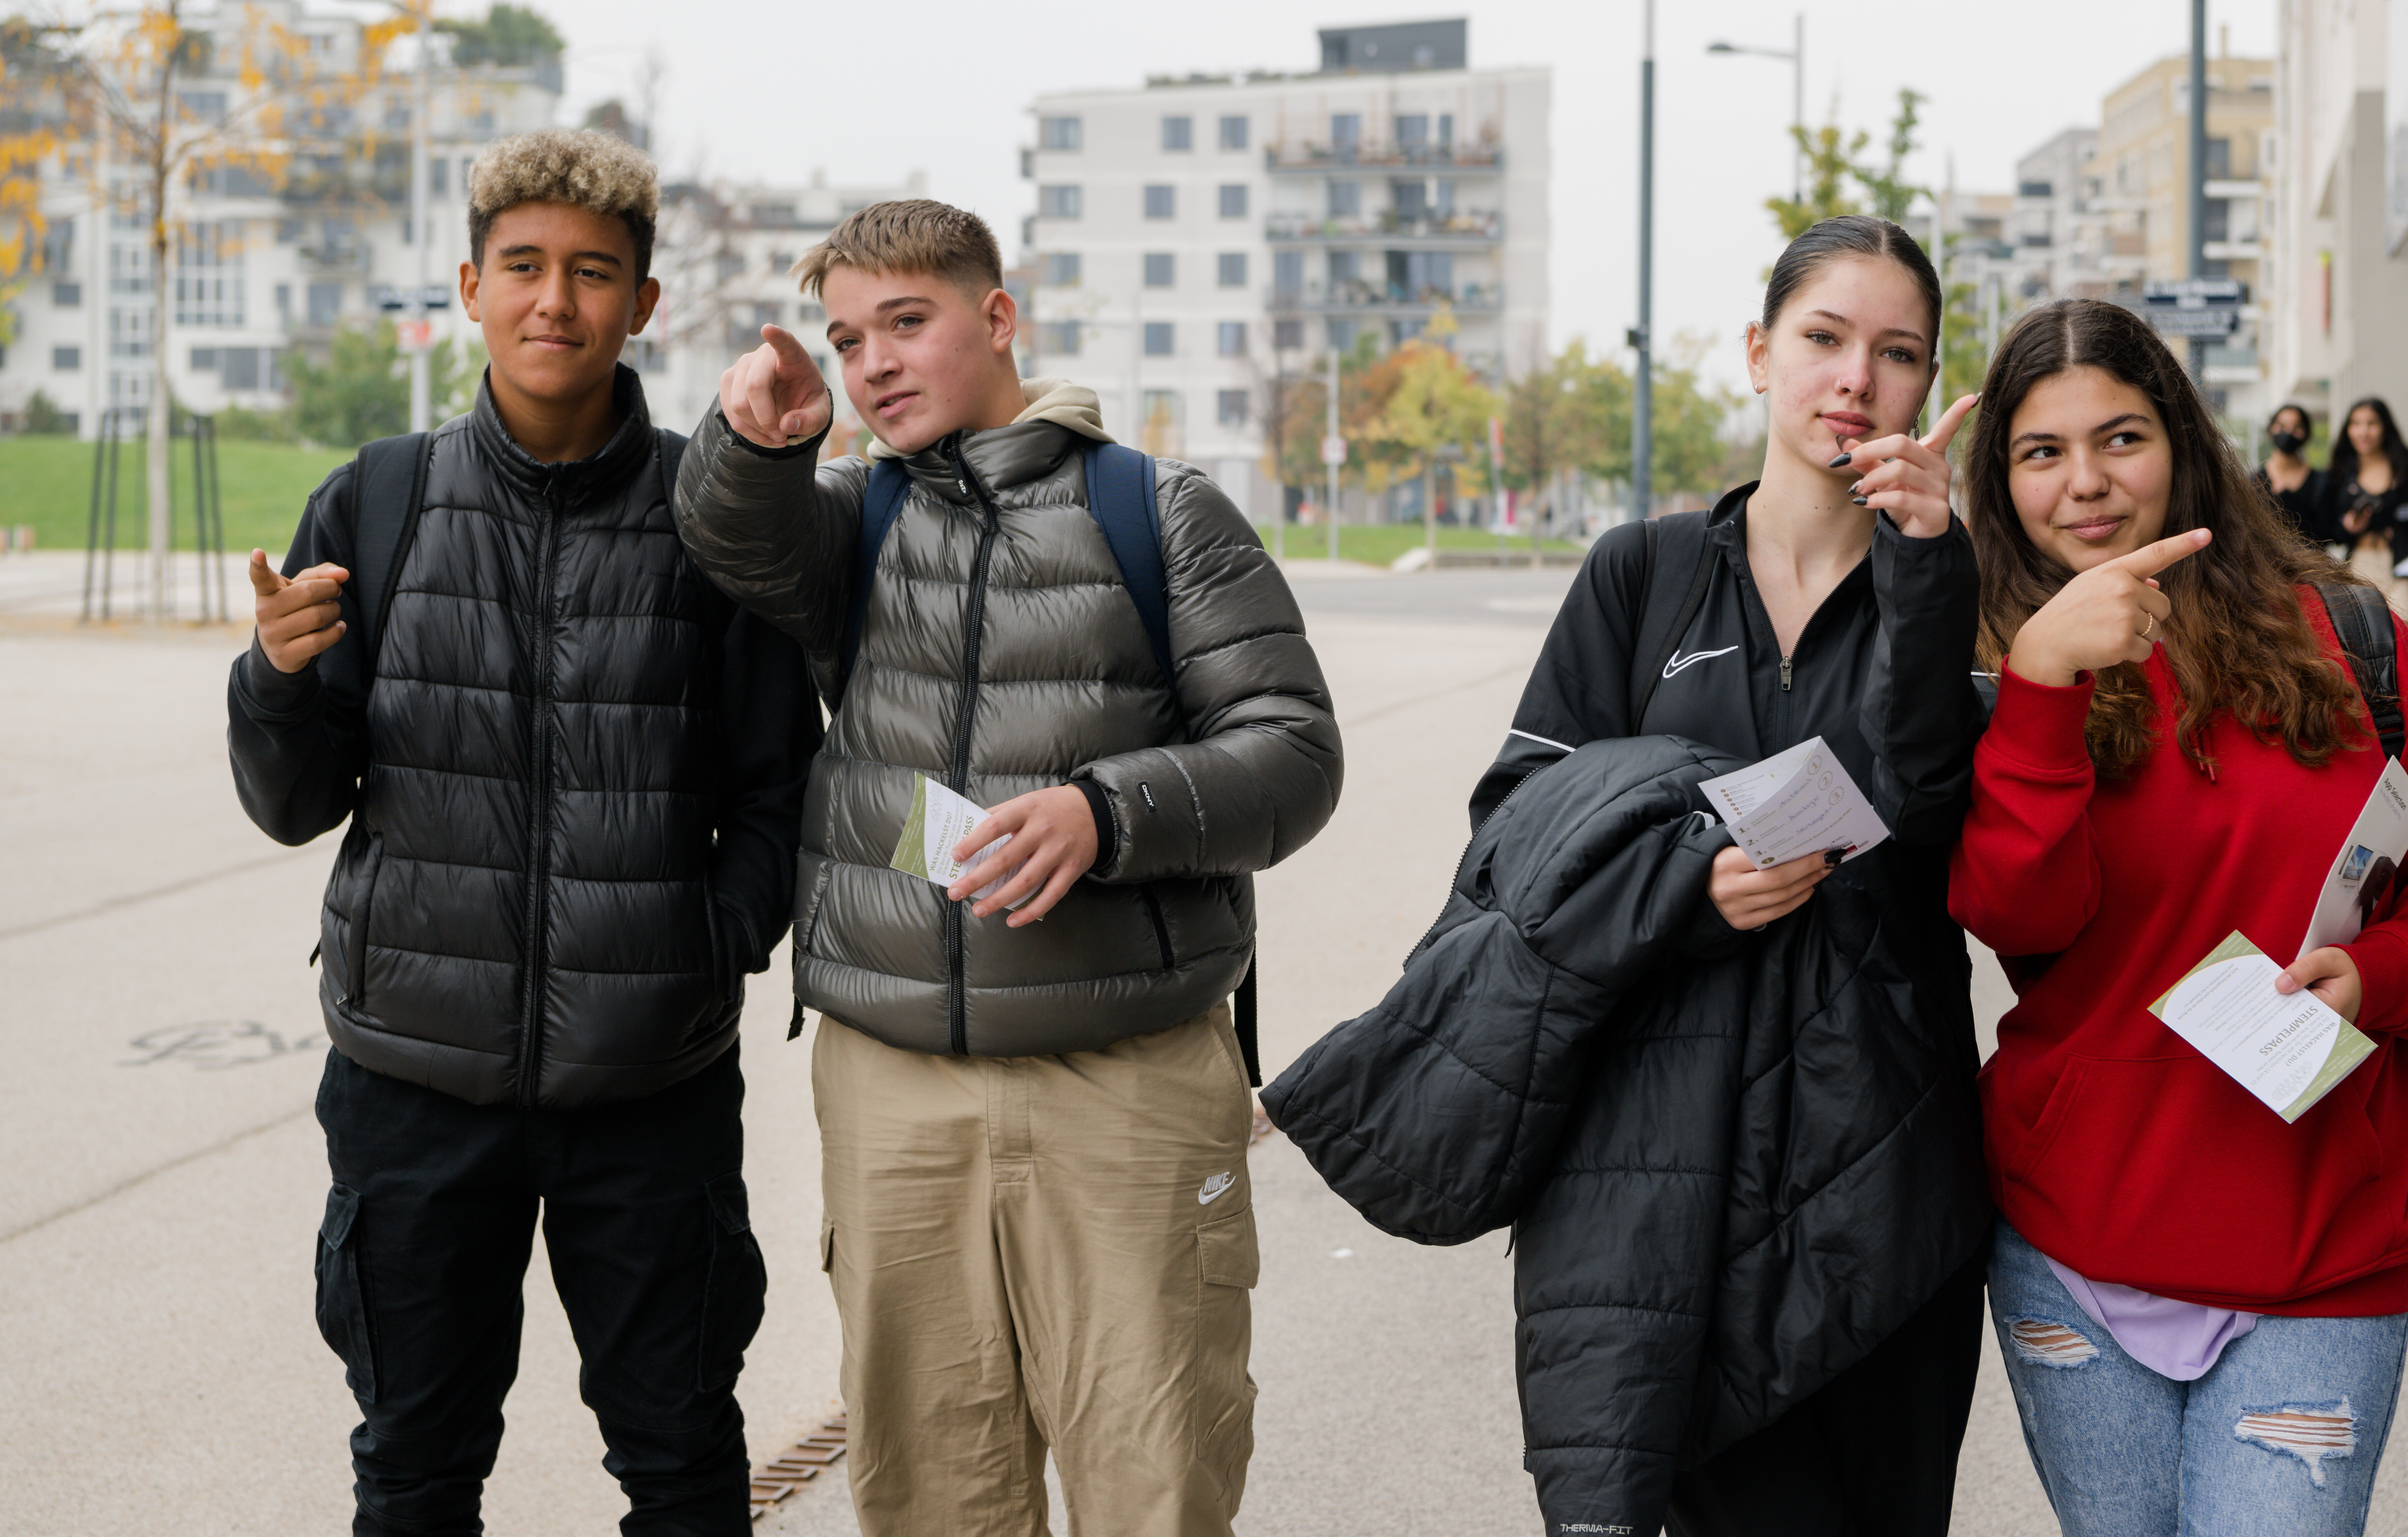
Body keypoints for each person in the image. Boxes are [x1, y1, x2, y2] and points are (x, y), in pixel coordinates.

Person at [668, 200, 1341, 1537]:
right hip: (892, 1080)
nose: (871, 363)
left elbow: (1293, 751)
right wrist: (749, 441)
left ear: (996, 315)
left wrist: (1109, 810)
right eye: (847, 337)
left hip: (1126, 1079)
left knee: (1152, 1464)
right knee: (929, 1478)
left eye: (904, 322)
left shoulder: (1157, 512)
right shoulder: (852, 520)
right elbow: (729, 537)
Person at [229, 129, 820, 1536]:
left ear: (642, 303)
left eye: (592, 273)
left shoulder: (703, 516)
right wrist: (274, 678)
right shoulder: (375, 498)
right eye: (524, 267)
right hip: (410, 1078)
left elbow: (779, 782)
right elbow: (293, 801)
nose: (555, 300)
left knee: (682, 1460)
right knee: (416, 1468)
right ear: (469, 287)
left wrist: (705, 943)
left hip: (650, 1086)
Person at [1952, 299, 2408, 1537]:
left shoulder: (2342, 638)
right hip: (2074, 1241)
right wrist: (2046, 684)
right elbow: (2015, 911)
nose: (2086, 484)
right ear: (2000, 483)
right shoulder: (1988, 672)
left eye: (2119, 437)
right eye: (2040, 453)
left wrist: (2380, 975)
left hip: (2317, 1247)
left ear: (2179, 439)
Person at [1462, 215, 1990, 1533]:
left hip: (1888, 1167)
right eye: (1821, 337)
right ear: (1757, 352)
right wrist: (1683, 880)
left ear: (1925, 386)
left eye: (1894, 353)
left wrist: (1929, 573)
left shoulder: (1945, 581)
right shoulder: (1636, 576)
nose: (1853, 380)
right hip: (1668, 1179)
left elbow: (1936, 812)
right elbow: (1508, 828)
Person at [2327, 395, 2408, 618]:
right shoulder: (2340, 472)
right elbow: (2330, 528)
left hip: (2403, 563)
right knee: (2364, 640)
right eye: (2356, 424)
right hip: (2359, 563)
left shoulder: (2407, 466)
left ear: (2385, 427)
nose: (2363, 432)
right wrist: (2348, 527)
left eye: (2371, 424)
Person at [2253, 402, 2341, 546]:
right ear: (2270, 430)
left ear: (2307, 434)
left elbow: (2327, 533)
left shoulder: (2322, 482)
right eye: (2282, 426)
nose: (2288, 432)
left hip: (2311, 565)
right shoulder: (2254, 481)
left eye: (2297, 427)